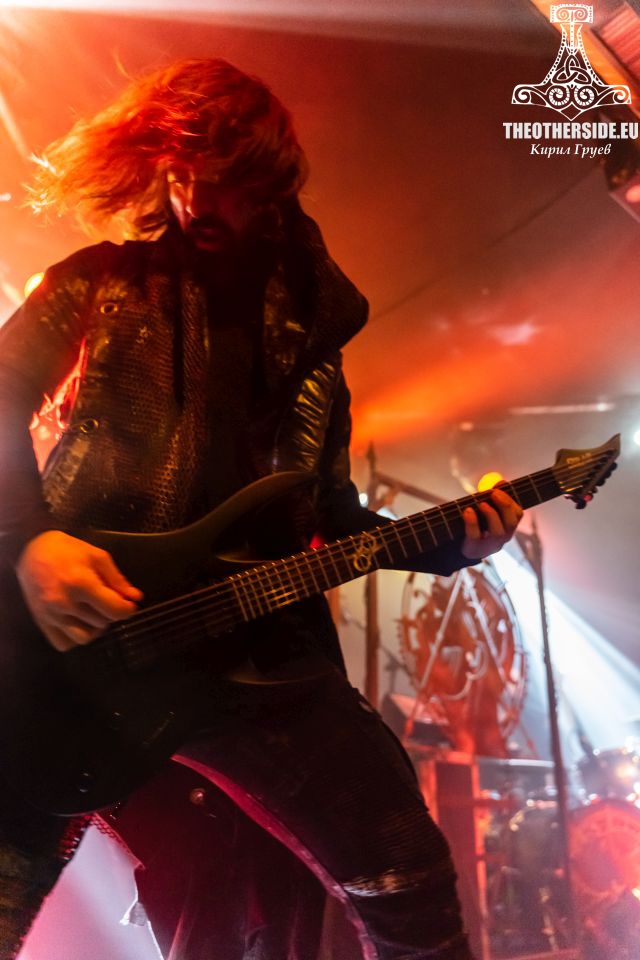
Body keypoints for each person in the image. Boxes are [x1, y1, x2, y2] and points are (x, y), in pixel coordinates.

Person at [0, 58, 523, 960]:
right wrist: (27, 540)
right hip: (80, 639)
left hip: (255, 661)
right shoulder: (97, 282)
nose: (198, 201)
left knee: (408, 882)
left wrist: (453, 546)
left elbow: (328, 518)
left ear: (270, 182)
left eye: (225, 182)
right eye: (182, 175)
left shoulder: (314, 346)